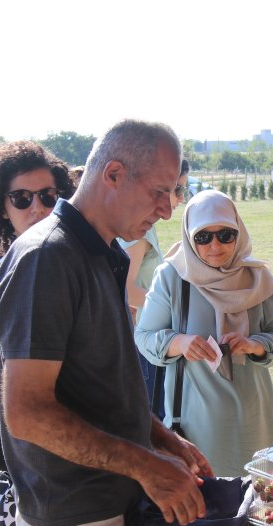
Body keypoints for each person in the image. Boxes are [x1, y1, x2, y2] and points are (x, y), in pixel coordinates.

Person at [0, 119, 212, 526]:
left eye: (174, 191)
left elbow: (100, 383)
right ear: (113, 173)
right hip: (75, 519)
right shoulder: (47, 257)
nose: (167, 206)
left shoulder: (102, 251)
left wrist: (161, 438)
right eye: (160, 190)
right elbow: (27, 413)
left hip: (113, 506)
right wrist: (146, 465)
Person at [136, 189, 273, 477]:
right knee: (208, 510)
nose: (215, 246)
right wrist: (178, 342)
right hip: (197, 423)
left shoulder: (258, 278)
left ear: (238, 231)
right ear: (189, 236)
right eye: (203, 237)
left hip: (255, 417)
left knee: (258, 503)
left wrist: (254, 345)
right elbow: (144, 336)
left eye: (226, 235)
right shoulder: (173, 277)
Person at [0, 141, 76, 473]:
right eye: (22, 199)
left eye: (47, 196)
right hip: (43, 454)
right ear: (2, 208)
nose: (37, 208)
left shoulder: (71, 264)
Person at [120, 157, 191, 419]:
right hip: (144, 339)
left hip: (143, 336)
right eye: (179, 189)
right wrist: (169, 308)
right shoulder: (142, 231)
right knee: (153, 419)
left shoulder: (144, 228)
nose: (180, 199)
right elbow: (126, 289)